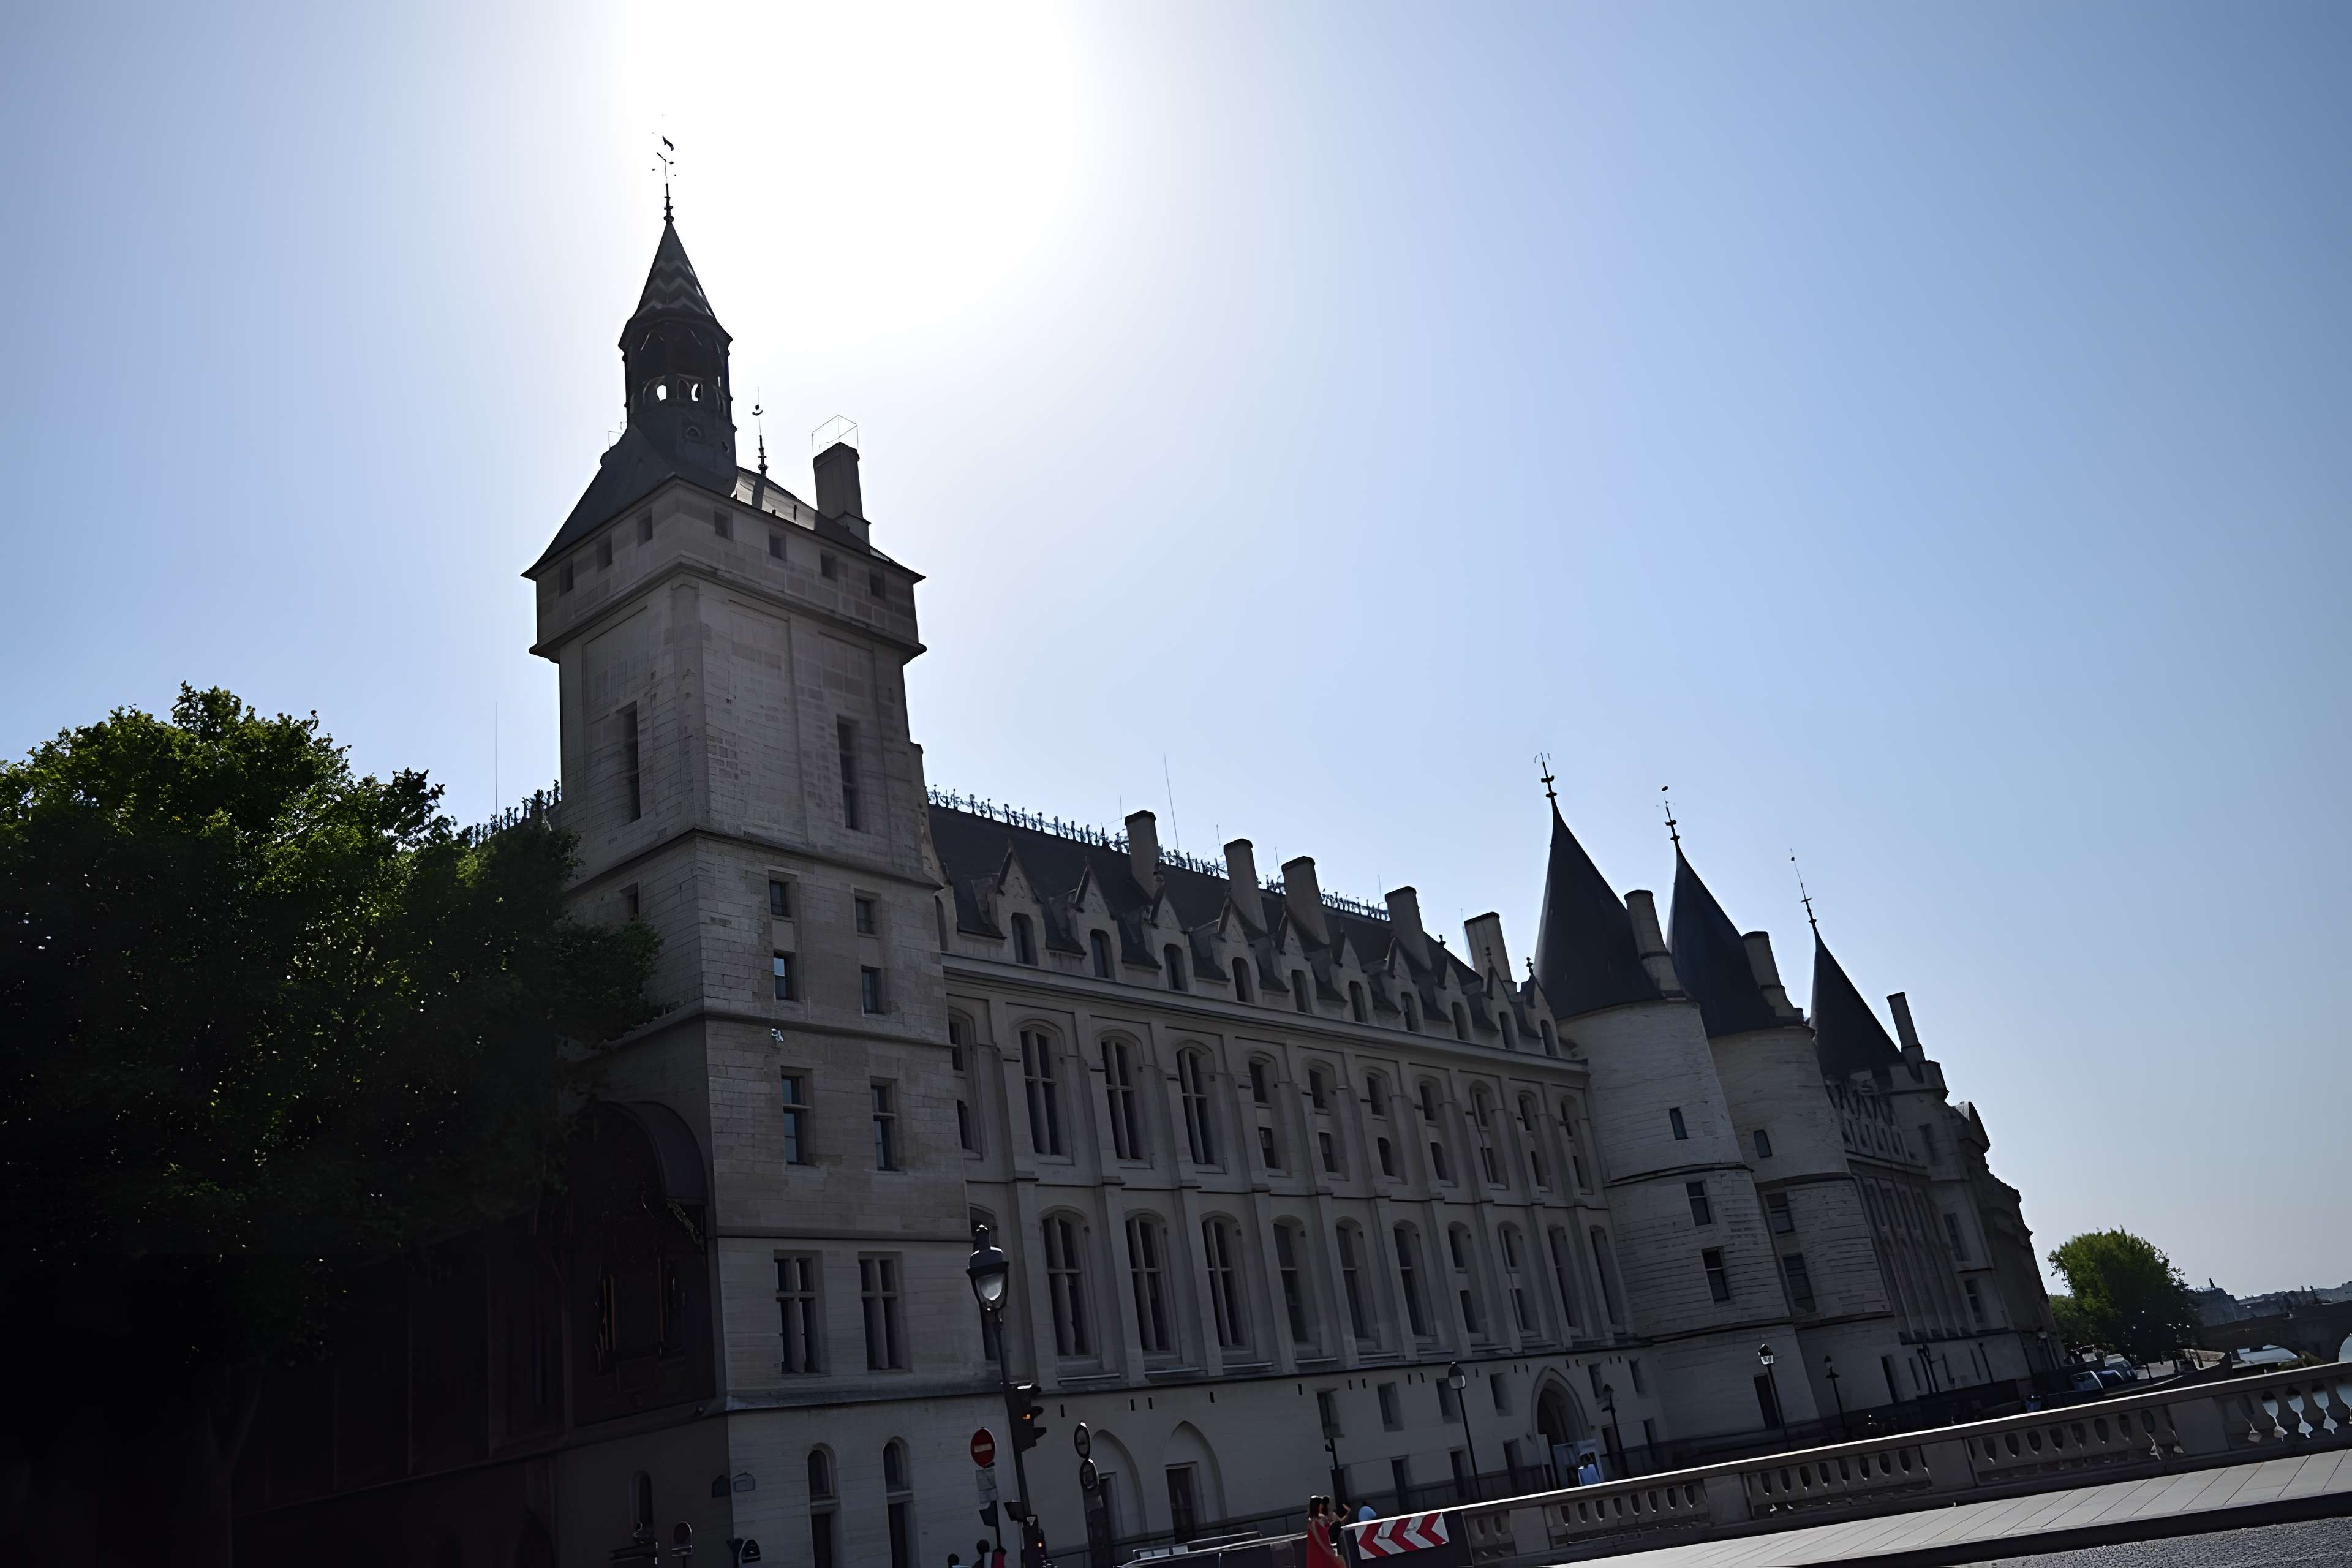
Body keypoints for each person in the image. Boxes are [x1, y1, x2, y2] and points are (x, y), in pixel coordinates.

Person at [1305, 1495, 1343, 1568]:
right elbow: (1319, 1538)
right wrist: (1328, 1551)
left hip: (1323, 1549)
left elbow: (1326, 1530)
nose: (1322, 1506)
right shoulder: (1314, 1522)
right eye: (1320, 1504)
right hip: (1322, 1550)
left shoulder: (1319, 1519)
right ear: (1317, 1506)